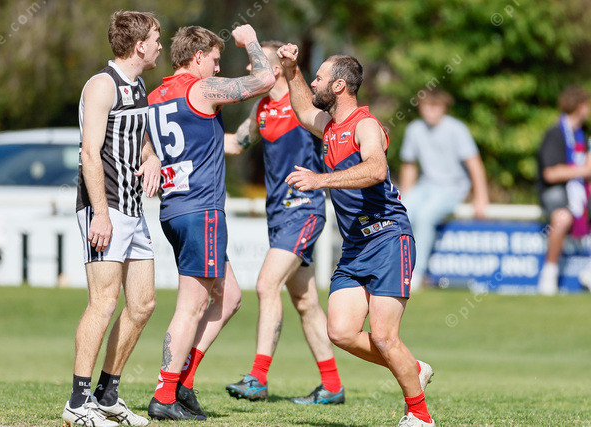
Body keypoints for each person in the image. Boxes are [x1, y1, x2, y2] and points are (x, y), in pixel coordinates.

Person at [277, 44, 435, 426]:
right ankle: (413, 367)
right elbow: (303, 110)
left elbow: (376, 170)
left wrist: (320, 180)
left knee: (383, 336)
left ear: (339, 86)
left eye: (319, 78)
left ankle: (420, 416)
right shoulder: (330, 126)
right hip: (356, 246)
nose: (314, 83)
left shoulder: (365, 126)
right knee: (341, 331)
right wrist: (291, 68)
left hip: (388, 237)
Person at [146, 25, 274, 421]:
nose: (218, 68)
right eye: (215, 60)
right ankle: (165, 395)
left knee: (229, 296)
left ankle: (183, 383)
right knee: (192, 306)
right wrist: (251, 41)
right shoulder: (200, 89)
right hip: (200, 210)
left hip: (175, 209)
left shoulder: (156, 96)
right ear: (197, 57)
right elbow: (265, 79)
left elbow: (219, 143)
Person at [223, 41, 344, 404]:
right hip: (277, 215)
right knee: (305, 301)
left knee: (266, 284)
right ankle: (332, 386)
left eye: (255, 62)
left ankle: (258, 378)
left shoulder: (302, 105)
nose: (249, 69)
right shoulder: (262, 107)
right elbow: (235, 144)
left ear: (275, 69)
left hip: (303, 210)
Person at [63, 10, 162, 427]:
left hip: (134, 209)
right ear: (139, 46)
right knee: (103, 302)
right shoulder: (102, 85)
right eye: (156, 39)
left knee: (142, 304)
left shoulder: (137, 85)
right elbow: (89, 153)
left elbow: (139, 137)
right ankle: (76, 404)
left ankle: (106, 396)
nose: (160, 46)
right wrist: (101, 215)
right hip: (105, 208)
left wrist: (151, 157)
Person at [399, 88, 489, 291]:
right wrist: (405, 194)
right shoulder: (414, 129)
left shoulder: (457, 129)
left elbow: (474, 163)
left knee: (426, 216)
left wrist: (481, 197)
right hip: (425, 186)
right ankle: (397, 268)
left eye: (436, 106)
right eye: (427, 106)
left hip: (453, 188)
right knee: (402, 212)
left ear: (444, 107)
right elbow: (409, 165)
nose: (431, 111)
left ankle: (416, 273)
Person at [537, 86, 591, 295]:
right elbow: (551, 174)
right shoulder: (555, 134)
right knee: (562, 217)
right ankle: (549, 274)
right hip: (555, 191)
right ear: (579, 106)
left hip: (577, 192)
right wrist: (584, 170)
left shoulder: (581, 136)